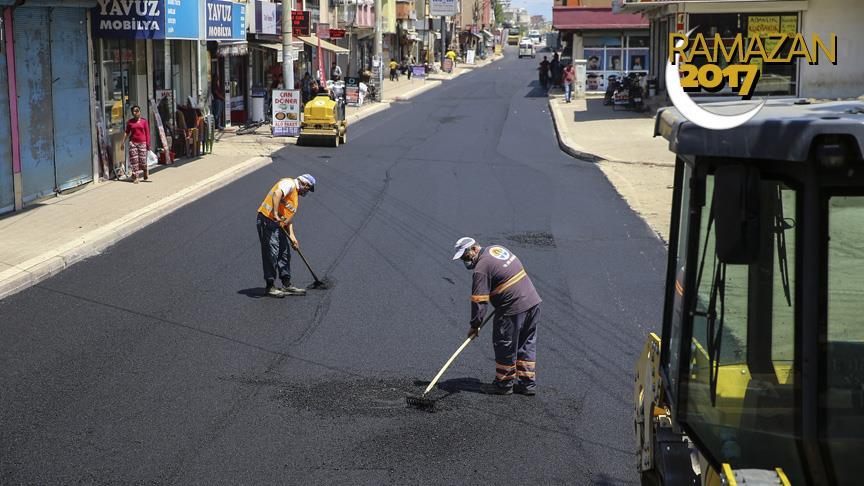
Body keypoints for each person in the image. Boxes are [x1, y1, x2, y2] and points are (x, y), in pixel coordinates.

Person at [453, 237, 542, 396]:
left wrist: (475, 325)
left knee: (504, 342)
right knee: (526, 342)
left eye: (465, 257)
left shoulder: (481, 268)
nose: (465, 262)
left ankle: (504, 384)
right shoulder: (497, 249)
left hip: (512, 307)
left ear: (474, 249)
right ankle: (527, 383)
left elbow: (479, 301)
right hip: (532, 301)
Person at [256, 174, 316, 298]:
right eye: (308, 188)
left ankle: (287, 284)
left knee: (284, 253)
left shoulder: (295, 198)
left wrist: (292, 236)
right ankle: (270, 286)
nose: (307, 192)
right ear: (305, 184)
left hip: (279, 224)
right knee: (271, 254)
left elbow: (288, 218)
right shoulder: (289, 184)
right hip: (267, 220)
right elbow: (277, 194)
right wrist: (276, 214)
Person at [122, 105, 150, 183]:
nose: (136, 112)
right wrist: (123, 142)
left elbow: (147, 133)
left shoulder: (144, 121)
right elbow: (127, 132)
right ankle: (136, 177)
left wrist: (148, 144)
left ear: (140, 112)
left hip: (142, 143)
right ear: (132, 113)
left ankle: (145, 170)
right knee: (134, 161)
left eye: (137, 111)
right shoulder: (130, 122)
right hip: (133, 143)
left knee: (143, 161)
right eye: (134, 111)